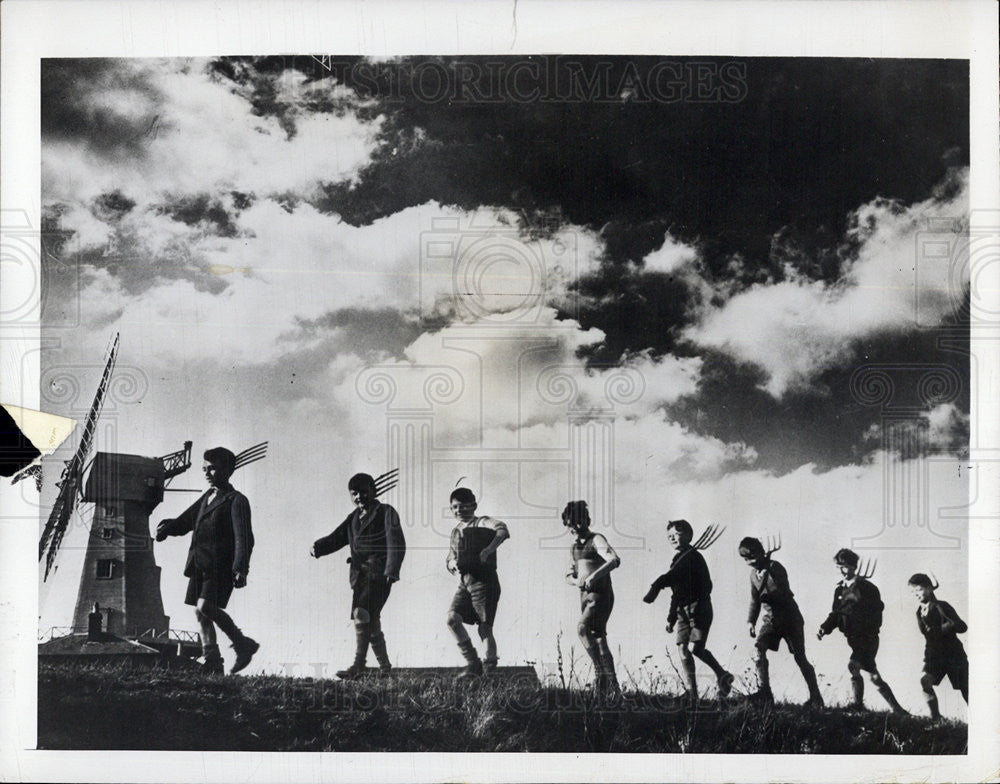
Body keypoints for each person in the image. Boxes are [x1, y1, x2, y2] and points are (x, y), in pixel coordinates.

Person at [156, 447, 258, 675]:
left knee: (205, 607)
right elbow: (188, 520)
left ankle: (243, 644)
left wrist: (241, 568)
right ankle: (213, 662)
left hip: (221, 566)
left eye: (212, 468)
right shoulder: (208, 497)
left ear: (228, 470)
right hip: (199, 564)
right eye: (205, 468)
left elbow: (245, 537)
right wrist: (169, 528)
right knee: (200, 612)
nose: (207, 473)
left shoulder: (236, 500)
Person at [311, 472, 406, 679]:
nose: (359, 497)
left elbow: (396, 541)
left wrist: (392, 570)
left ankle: (359, 665)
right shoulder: (353, 518)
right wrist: (318, 547)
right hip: (359, 576)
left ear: (374, 490)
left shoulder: (386, 512)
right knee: (369, 620)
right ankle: (385, 668)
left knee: (361, 613)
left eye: (364, 492)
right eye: (354, 494)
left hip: (379, 573)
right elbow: (337, 537)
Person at [643, 519, 734, 701]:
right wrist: (671, 618)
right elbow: (676, 592)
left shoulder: (693, 557)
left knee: (696, 648)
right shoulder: (678, 560)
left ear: (688, 535)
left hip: (699, 608)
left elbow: (696, 582)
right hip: (682, 611)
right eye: (669, 536)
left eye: (676, 534)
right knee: (683, 648)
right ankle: (692, 694)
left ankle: (722, 674)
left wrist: (657, 585)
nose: (672, 538)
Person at [817, 548, 906, 713]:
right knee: (874, 676)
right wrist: (824, 627)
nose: (841, 571)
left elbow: (878, 611)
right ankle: (898, 710)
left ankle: (857, 706)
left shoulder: (867, 588)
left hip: (868, 638)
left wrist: (865, 622)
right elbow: (836, 614)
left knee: (853, 666)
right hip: (852, 638)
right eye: (838, 567)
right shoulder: (839, 590)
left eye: (844, 566)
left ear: (853, 566)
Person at [739, 537, 823, 707]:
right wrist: (750, 621)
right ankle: (765, 692)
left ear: (762, 553)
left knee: (800, 657)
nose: (750, 562)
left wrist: (768, 593)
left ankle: (816, 697)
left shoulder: (775, 567)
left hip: (790, 618)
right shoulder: (753, 575)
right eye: (746, 559)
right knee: (758, 649)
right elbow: (755, 600)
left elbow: (783, 591)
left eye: (753, 557)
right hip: (771, 619)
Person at [445, 487, 510, 678]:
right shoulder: (456, 531)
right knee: (452, 618)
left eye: (464, 506)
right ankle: (473, 663)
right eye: (455, 507)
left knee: (484, 627)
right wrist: (452, 565)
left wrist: (488, 550)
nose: (459, 511)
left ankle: (489, 671)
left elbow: (503, 530)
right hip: (465, 582)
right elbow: (450, 556)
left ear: (473, 506)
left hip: (484, 581)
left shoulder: (483, 521)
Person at [563, 500, 621, 696]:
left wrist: (593, 576)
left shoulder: (596, 539)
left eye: (579, 521)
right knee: (598, 638)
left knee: (582, 628)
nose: (576, 527)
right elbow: (568, 575)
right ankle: (612, 687)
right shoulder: (573, 548)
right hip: (584, 596)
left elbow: (614, 560)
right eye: (571, 523)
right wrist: (575, 581)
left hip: (600, 594)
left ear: (586, 520)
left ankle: (600, 674)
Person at [908, 573, 968, 720]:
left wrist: (950, 625)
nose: (916, 594)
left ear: (929, 589)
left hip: (954, 655)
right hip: (935, 656)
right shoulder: (919, 612)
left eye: (919, 590)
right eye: (913, 591)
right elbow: (929, 637)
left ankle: (982, 721)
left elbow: (962, 627)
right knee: (925, 681)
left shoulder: (942, 606)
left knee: (967, 689)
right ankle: (936, 718)